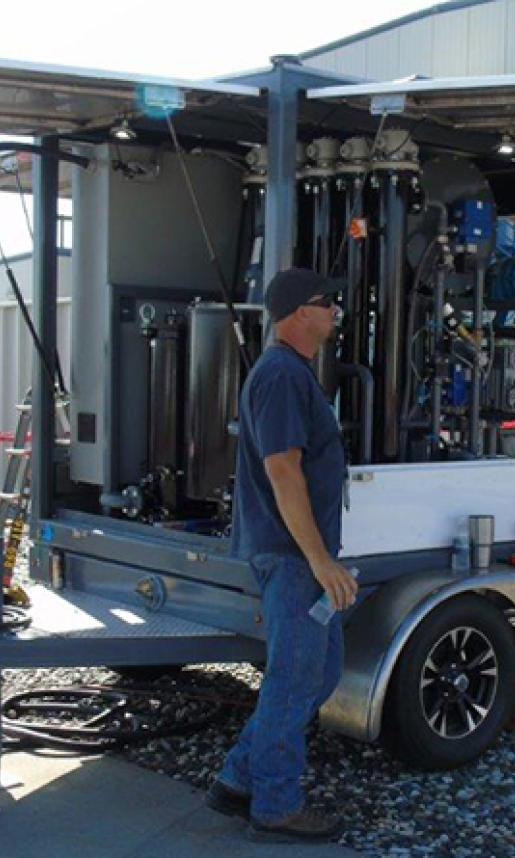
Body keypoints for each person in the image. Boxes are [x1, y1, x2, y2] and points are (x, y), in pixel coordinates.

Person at [205, 267, 358, 844]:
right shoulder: (280, 376)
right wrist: (319, 558)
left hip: (303, 556)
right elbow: (282, 468)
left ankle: (239, 777)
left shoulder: (292, 373)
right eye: (329, 303)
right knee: (295, 681)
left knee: (320, 672)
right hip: (293, 558)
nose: (336, 311)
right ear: (300, 313)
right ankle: (275, 805)